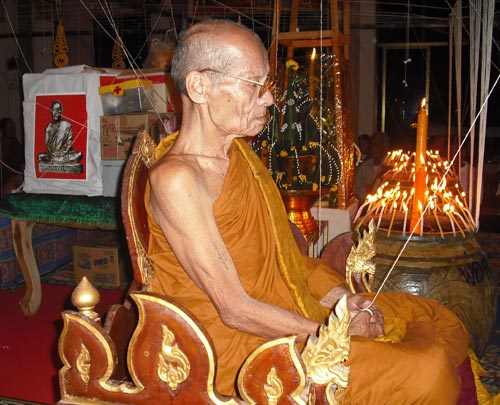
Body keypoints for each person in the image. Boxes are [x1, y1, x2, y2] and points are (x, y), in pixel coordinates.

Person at [146, 19, 469, 402]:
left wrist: (339, 301)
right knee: (429, 371)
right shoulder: (177, 180)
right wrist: (334, 332)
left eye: (266, 84)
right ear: (199, 86)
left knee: (433, 315)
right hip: (238, 350)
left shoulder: (240, 156)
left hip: (276, 312)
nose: (268, 99)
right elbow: (234, 309)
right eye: (253, 85)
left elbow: (284, 262)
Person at [38, 100, 82, 164]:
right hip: (52, 154)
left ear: (61, 111)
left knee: (78, 154)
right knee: (40, 156)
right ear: (51, 111)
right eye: (54, 110)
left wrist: (62, 153)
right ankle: (59, 159)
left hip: (64, 154)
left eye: (58, 110)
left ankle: (57, 159)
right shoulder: (48, 127)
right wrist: (53, 153)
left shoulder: (67, 125)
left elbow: (69, 143)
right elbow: (47, 145)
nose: (56, 112)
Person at [354, 131, 390, 203]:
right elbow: (358, 189)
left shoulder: (389, 167)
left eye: (378, 145)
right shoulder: (365, 166)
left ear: (385, 147)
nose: (374, 148)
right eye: (372, 144)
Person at [0, 117, 24, 197]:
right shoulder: (2, 144)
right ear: (3, 129)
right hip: (7, 177)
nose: (14, 130)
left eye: (14, 127)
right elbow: (3, 165)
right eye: (10, 128)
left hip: (17, 174)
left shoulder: (15, 142)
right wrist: (17, 173)